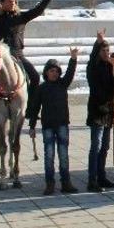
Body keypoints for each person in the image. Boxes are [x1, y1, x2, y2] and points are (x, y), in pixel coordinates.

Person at [26, 47, 79, 195]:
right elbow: (35, 108)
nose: (54, 73)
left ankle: (66, 182)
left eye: (56, 71)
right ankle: (50, 183)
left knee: (63, 155)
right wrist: (31, 126)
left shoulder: (63, 84)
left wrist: (73, 59)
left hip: (62, 124)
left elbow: (70, 73)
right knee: (49, 156)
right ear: (46, 73)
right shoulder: (41, 88)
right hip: (48, 126)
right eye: (51, 71)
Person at [86, 30, 114, 192]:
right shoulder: (93, 66)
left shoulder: (108, 66)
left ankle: (102, 176)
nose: (107, 53)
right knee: (96, 147)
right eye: (103, 50)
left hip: (108, 112)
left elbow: (113, 93)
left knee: (105, 147)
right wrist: (98, 42)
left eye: (108, 50)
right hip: (97, 112)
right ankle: (92, 180)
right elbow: (92, 59)